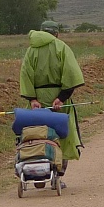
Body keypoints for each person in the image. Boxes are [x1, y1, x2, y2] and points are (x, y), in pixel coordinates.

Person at [19, 20, 85, 189]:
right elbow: (71, 73)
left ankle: (37, 173)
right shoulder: (61, 47)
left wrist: (32, 99)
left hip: (37, 103)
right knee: (62, 136)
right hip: (58, 102)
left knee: (37, 135)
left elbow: (26, 74)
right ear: (57, 33)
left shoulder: (31, 50)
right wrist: (62, 98)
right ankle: (57, 174)